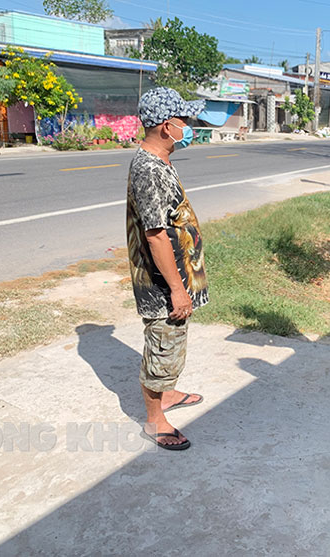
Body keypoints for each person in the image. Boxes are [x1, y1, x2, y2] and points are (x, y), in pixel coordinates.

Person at [127, 87, 209, 451]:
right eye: (185, 121)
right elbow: (156, 235)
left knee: (172, 343)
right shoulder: (148, 168)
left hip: (176, 276)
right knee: (162, 344)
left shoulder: (161, 161)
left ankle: (168, 393)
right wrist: (177, 289)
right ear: (166, 126)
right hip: (162, 285)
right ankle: (154, 420)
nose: (190, 127)